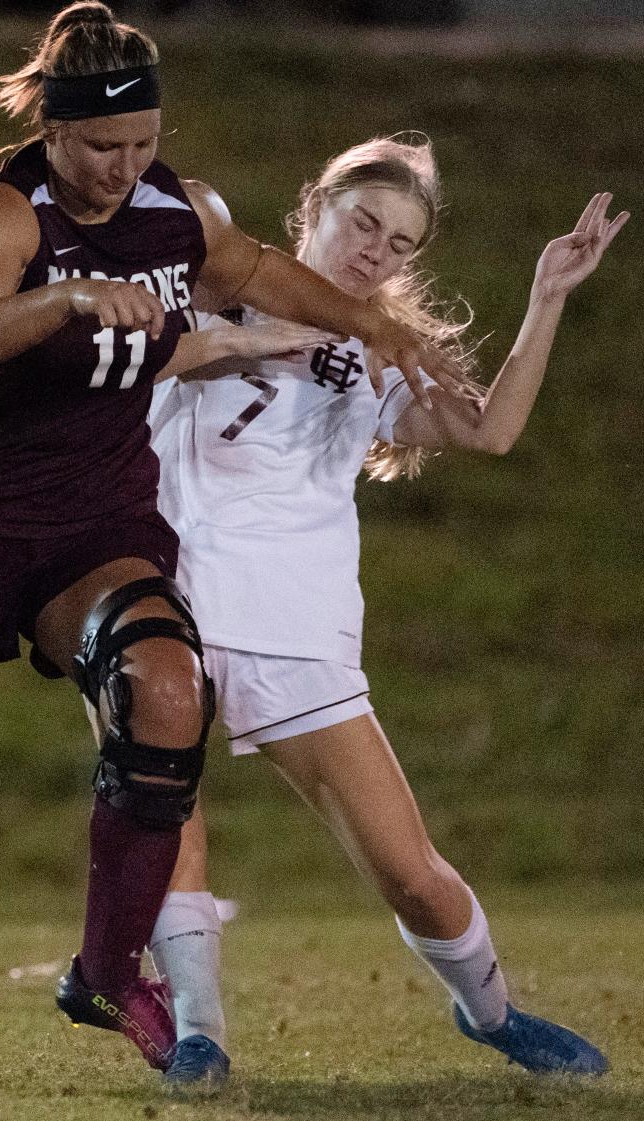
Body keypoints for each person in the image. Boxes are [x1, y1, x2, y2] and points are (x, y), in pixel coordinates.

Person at [0, 6, 464, 1079]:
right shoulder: (4, 215)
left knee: (167, 690)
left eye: (142, 144)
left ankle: (109, 971)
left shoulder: (177, 210)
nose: (122, 168)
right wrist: (63, 300)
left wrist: (376, 325)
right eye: (101, 147)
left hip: (97, 522)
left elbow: (254, 269)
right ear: (55, 131)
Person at [143, 134, 627, 1091]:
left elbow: (489, 429)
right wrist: (238, 338)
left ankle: (492, 1012)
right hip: (169, 592)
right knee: (165, 817)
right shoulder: (206, 285)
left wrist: (546, 300)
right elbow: (121, 368)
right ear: (312, 207)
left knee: (411, 872)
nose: (375, 249)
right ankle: (198, 1035)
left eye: (400, 242)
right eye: (362, 220)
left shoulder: (380, 349)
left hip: (298, 620)